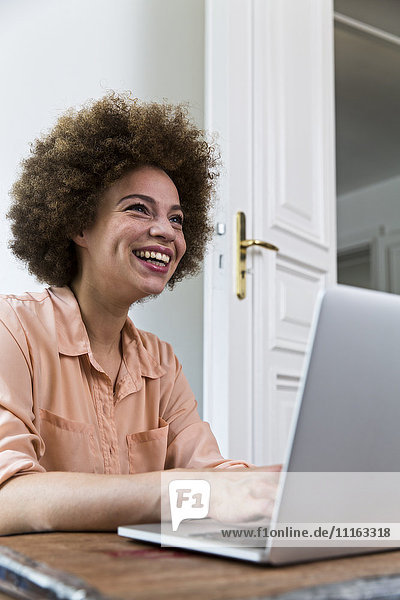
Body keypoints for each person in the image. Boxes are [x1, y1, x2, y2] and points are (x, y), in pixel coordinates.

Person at [0, 93, 278, 535]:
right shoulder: (11, 331)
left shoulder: (162, 365)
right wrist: (186, 492)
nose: (166, 231)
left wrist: (269, 484)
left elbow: (209, 472)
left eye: (178, 219)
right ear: (78, 224)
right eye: (138, 208)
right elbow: (7, 498)